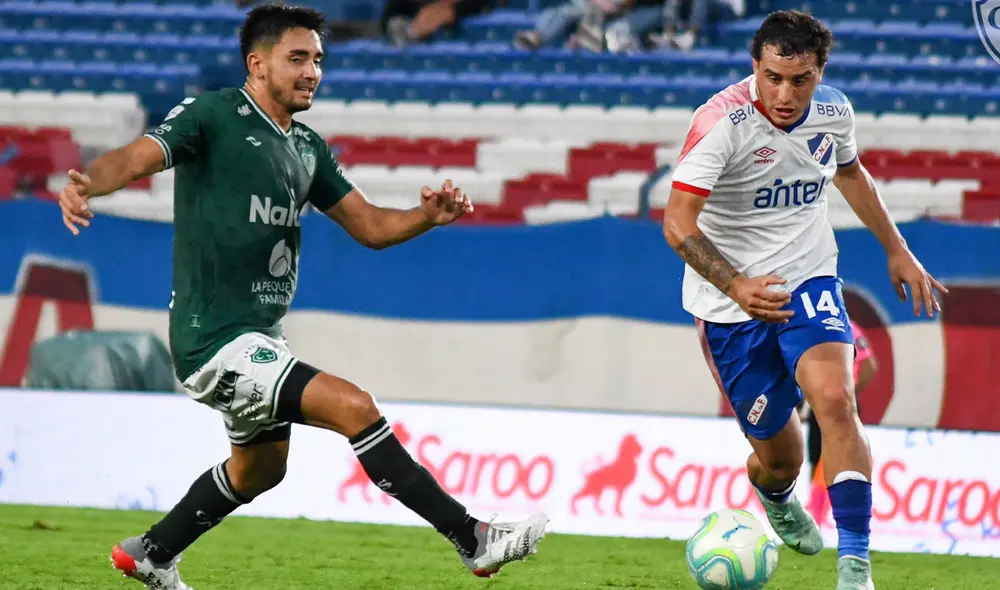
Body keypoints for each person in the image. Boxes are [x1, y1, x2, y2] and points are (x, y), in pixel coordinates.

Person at [57, 5, 548, 589]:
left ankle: (152, 553)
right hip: (214, 341)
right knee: (354, 407)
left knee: (259, 471)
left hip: (259, 336)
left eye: (317, 59)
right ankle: (474, 539)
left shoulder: (308, 148)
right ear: (256, 64)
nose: (312, 70)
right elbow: (141, 155)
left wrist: (426, 215)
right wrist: (89, 182)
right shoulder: (214, 114)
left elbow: (370, 227)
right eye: (298, 58)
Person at [663, 10, 946, 590]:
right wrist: (736, 284)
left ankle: (855, 568)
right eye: (773, 77)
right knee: (780, 458)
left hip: (808, 278)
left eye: (800, 79)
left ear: (820, 73)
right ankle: (777, 496)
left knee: (837, 399)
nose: (785, 94)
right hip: (730, 305)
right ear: (755, 68)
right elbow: (677, 222)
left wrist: (898, 248)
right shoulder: (721, 122)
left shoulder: (835, 112)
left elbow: (851, 173)